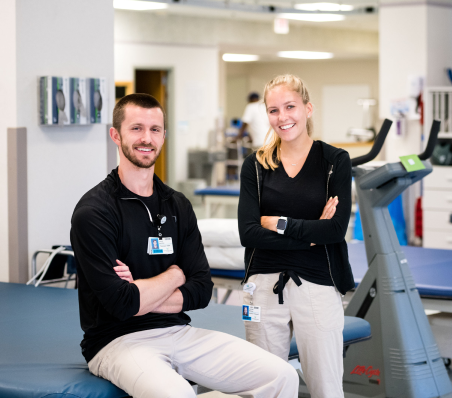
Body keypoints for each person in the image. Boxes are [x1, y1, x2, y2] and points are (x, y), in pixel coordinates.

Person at [70, 93, 298, 398]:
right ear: (116, 134)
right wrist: (177, 275)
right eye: (136, 128)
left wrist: (140, 292)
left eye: (154, 129)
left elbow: (202, 289)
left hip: (178, 331)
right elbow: (121, 304)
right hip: (116, 342)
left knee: (281, 376)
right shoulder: (95, 211)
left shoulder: (177, 205)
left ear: (163, 136)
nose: (146, 138)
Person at [238, 74, 354, 398]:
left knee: (326, 387)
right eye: (273, 110)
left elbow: (334, 229)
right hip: (262, 283)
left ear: (308, 108)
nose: (282, 117)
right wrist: (310, 234)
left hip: (317, 282)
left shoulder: (334, 161)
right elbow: (248, 233)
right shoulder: (256, 165)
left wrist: (279, 223)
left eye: (290, 106)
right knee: (265, 388)